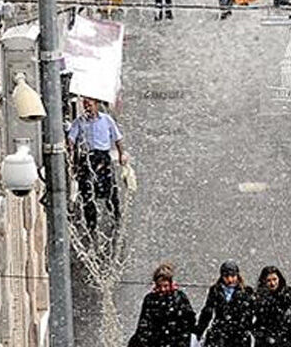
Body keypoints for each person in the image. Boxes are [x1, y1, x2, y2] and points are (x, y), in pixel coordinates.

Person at [66, 97, 127, 232]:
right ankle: (91, 224)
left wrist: (122, 154)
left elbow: (118, 138)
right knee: (87, 190)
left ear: (96, 104)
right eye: (85, 104)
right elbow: (71, 139)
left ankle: (116, 217)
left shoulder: (106, 120)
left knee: (110, 188)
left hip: (103, 157)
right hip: (87, 158)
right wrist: (70, 149)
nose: (87, 107)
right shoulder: (79, 122)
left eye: (90, 104)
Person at [128, 262, 196, 347]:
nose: (162, 289)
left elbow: (189, 322)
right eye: (159, 286)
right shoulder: (150, 299)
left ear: (171, 284)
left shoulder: (180, 297)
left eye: (165, 286)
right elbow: (144, 325)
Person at [195, 261, 255, 347]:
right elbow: (207, 312)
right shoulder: (216, 290)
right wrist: (199, 331)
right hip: (220, 333)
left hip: (239, 335)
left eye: (233, 276)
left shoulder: (247, 291)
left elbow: (250, 313)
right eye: (226, 276)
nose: (230, 279)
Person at [252, 266, 291, 347]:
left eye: (274, 279)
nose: (272, 283)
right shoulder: (259, 299)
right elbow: (257, 322)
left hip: (286, 341)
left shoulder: (288, 297)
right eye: (269, 280)